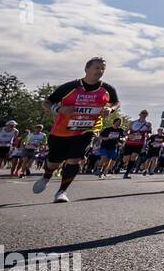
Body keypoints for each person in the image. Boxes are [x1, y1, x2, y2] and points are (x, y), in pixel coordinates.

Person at [33, 57, 119, 203]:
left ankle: (62, 191)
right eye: (97, 67)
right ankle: (47, 175)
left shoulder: (108, 89)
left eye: (103, 68)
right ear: (86, 69)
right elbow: (46, 103)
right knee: (54, 162)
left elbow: (116, 102)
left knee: (74, 160)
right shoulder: (70, 87)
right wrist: (59, 108)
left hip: (87, 130)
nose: (100, 71)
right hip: (61, 131)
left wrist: (110, 109)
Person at [121, 111, 152, 178]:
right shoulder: (132, 122)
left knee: (133, 157)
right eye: (142, 114)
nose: (143, 115)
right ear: (139, 114)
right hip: (130, 142)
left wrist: (148, 135)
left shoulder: (148, 124)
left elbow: (149, 132)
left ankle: (126, 173)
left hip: (139, 143)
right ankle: (120, 166)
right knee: (126, 159)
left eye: (145, 114)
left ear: (147, 116)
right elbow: (125, 131)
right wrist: (128, 135)